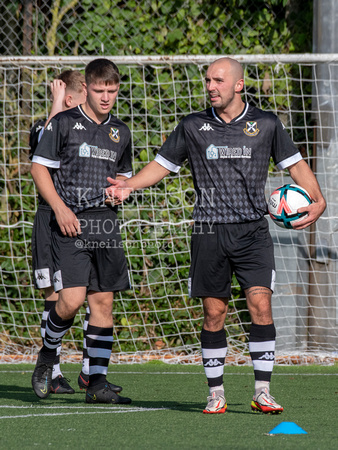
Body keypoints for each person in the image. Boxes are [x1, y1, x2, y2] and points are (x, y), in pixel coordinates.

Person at [105, 57, 326, 414]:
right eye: (208, 80)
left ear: (238, 85)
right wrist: (129, 184)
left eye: (218, 80)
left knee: (261, 305)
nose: (210, 86)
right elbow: (163, 165)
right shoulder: (193, 125)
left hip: (253, 231)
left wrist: (318, 200)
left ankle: (262, 391)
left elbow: (296, 165)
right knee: (214, 313)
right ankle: (216, 392)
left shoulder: (266, 123)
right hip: (209, 231)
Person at [30, 58, 132, 405]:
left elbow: (123, 176)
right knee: (70, 301)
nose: (106, 97)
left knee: (103, 303)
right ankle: (48, 354)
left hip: (105, 222)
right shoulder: (64, 123)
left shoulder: (121, 131)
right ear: (86, 88)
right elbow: (38, 169)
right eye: (100, 90)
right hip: (70, 223)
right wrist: (60, 208)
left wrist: (124, 187)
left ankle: (97, 382)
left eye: (112, 91)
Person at [30, 70, 86, 394]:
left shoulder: (85, 130)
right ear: (68, 98)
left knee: (86, 294)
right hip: (48, 218)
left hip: (77, 219)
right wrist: (56, 104)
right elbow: (41, 161)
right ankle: (52, 372)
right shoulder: (44, 125)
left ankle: (91, 371)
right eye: (81, 100)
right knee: (52, 294)